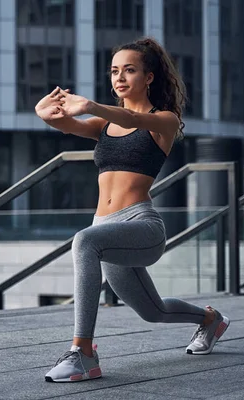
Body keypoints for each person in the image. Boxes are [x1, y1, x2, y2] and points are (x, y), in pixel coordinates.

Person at [34, 37, 230, 383]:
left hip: (142, 226)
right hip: (106, 229)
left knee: (83, 241)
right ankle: (210, 320)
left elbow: (131, 116)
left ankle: (83, 353)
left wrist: (91, 105)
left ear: (149, 77)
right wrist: (46, 114)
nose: (119, 77)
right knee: (154, 311)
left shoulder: (164, 120)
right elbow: (69, 124)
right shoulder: (105, 125)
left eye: (129, 70)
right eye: (114, 71)